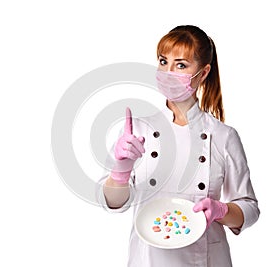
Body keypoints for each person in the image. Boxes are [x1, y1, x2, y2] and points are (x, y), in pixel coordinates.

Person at [99, 25, 260, 266]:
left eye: (181, 65)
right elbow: (113, 202)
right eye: (163, 62)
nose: (168, 71)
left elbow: (249, 209)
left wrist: (222, 211)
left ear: (203, 73)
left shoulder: (223, 136)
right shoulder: (138, 130)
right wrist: (120, 171)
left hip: (206, 259)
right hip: (148, 259)